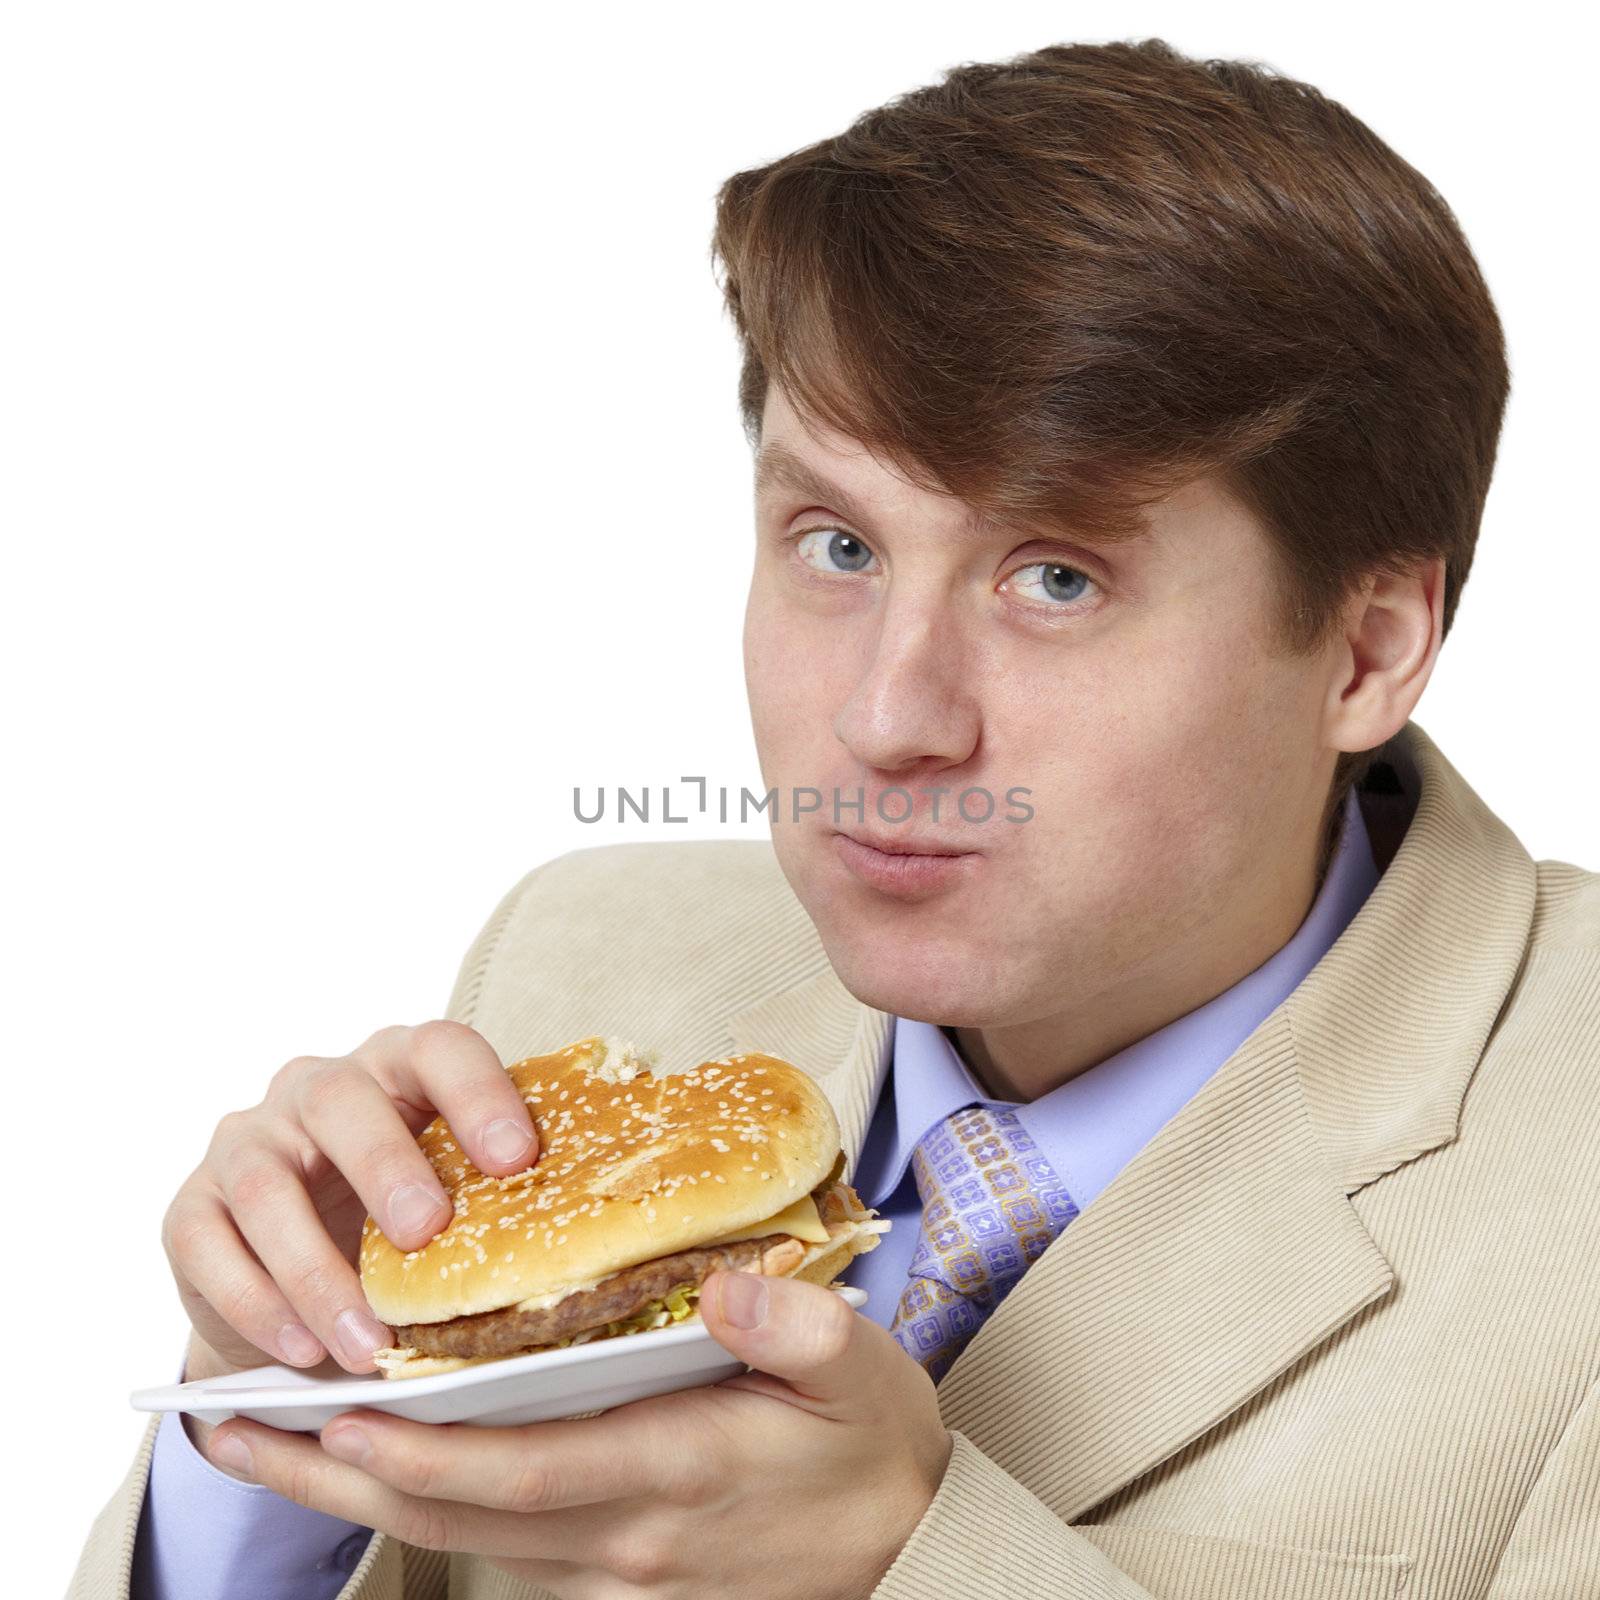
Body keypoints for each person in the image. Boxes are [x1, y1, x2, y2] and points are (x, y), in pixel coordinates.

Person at [71, 36, 1597, 1600]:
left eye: (1056, 577)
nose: (886, 719)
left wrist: (917, 1563)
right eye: (837, 544)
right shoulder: (572, 961)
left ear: (1368, 648)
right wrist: (272, 1434)